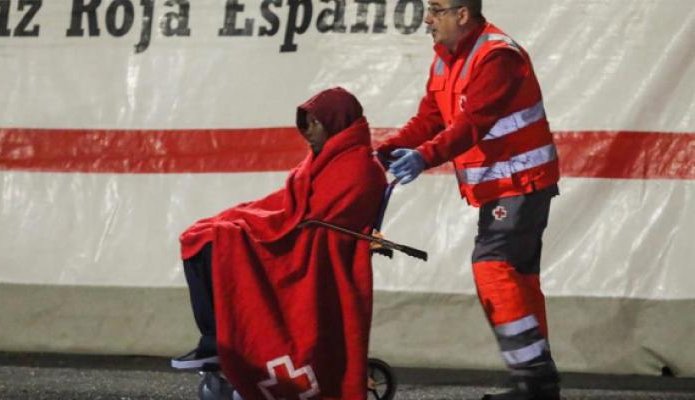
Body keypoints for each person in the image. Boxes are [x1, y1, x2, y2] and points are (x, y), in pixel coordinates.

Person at [374, 1, 561, 399]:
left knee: (493, 267)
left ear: (463, 14)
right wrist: (389, 148)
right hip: (504, 186)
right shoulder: (447, 58)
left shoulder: (497, 57)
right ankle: (538, 384)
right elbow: (431, 118)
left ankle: (533, 381)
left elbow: (473, 122)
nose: (426, 18)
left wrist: (424, 156)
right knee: (520, 280)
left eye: (436, 9)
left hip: (521, 182)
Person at [174, 87, 388, 399]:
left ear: (335, 122)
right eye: (306, 122)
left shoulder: (359, 168)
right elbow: (293, 205)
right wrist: (246, 216)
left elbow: (321, 224)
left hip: (312, 253)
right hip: (301, 237)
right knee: (200, 235)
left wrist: (252, 227)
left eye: (315, 123)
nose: (307, 131)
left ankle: (216, 341)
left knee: (215, 241)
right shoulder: (325, 158)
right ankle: (215, 340)